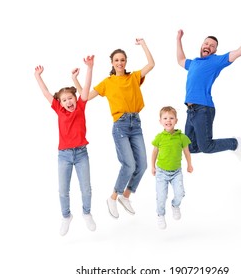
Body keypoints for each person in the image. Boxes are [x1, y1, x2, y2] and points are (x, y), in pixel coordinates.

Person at [72, 38, 155, 219]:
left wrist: (143, 44)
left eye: (122, 60)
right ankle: (113, 197)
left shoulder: (133, 77)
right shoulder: (107, 82)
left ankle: (125, 197)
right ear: (112, 63)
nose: (119, 63)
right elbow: (85, 96)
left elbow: (151, 64)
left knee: (142, 165)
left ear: (126, 62)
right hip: (121, 126)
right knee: (129, 164)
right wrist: (75, 79)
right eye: (116, 60)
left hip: (136, 123)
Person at [176, 21, 241, 163]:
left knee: (206, 147)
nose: (208, 46)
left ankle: (235, 143)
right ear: (202, 46)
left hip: (203, 108)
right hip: (190, 111)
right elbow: (180, 59)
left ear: (214, 51)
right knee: (191, 148)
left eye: (212, 46)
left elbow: (239, 52)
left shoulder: (216, 61)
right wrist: (178, 40)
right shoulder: (193, 62)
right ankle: (204, 142)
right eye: (206, 43)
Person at [34, 55, 96, 236]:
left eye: (70, 98)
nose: (69, 102)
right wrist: (38, 76)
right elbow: (46, 93)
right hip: (64, 155)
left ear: (75, 99)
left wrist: (89, 68)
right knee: (63, 190)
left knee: (86, 187)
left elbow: (86, 88)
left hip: (82, 153)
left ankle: (87, 213)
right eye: (65, 100)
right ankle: (66, 216)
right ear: (59, 103)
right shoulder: (59, 110)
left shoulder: (81, 107)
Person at [151, 106, 193, 230]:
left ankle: (175, 205)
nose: (168, 120)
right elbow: (154, 152)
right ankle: (160, 214)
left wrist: (189, 165)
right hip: (161, 172)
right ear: (160, 121)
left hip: (176, 172)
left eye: (171, 118)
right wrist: (152, 166)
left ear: (176, 120)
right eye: (165, 118)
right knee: (161, 196)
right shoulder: (159, 137)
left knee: (180, 193)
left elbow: (186, 152)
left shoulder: (181, 137)